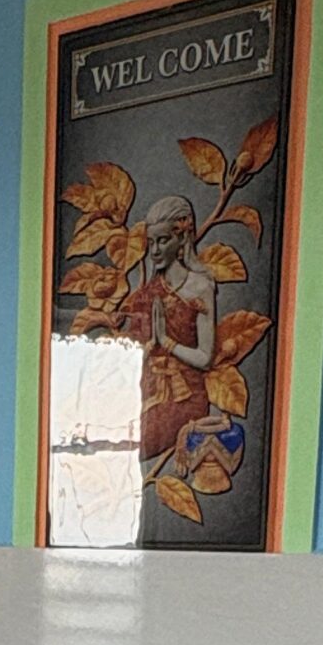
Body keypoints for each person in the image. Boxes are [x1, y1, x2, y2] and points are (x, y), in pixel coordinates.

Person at [121, 194, 216, 464]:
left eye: (163, 241)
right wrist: (146, 346)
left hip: (184, 396)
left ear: (182, 238)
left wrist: (166, 341)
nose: (155, 251)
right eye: (151, 242)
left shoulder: (200, 288)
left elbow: (205, 358)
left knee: (135, 444)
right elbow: (131, 356)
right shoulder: (146, 295)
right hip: (148, 389)